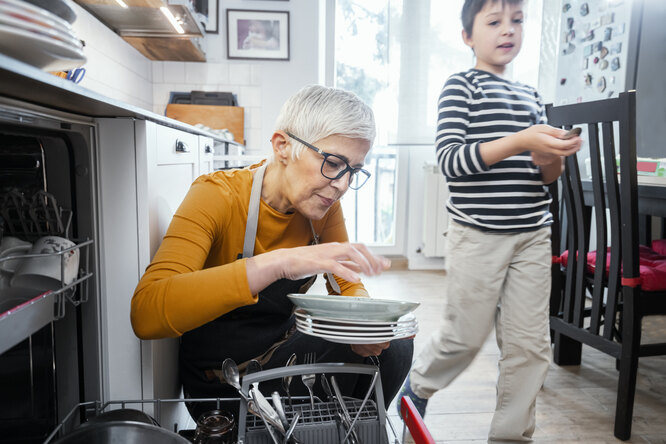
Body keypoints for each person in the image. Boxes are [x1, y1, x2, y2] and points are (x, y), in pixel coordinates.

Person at [131, 85, 414, 422]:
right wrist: (279, 263)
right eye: (333, 163)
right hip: (221, 380)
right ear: (283, 146)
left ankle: (342, 429)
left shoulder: (322, 207)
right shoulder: (217, 196)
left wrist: (368, 323)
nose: (341, 184)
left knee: (392, 347)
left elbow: (347, 285)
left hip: (280, 352)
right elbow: (146, 313)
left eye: (353, 170)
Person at [397, 0, 581, 442]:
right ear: (467, 36)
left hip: (532, 234)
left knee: (530, 348)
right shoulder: (462, 87)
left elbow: (547, 176)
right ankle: (415, 391)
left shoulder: (533, 97)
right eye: (494, 21)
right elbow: (452, 162)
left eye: (517, 21)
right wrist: (520, 140)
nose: (508, 30)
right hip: (477, 233)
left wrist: (548, 157)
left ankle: (510, 436)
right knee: (465, 336)